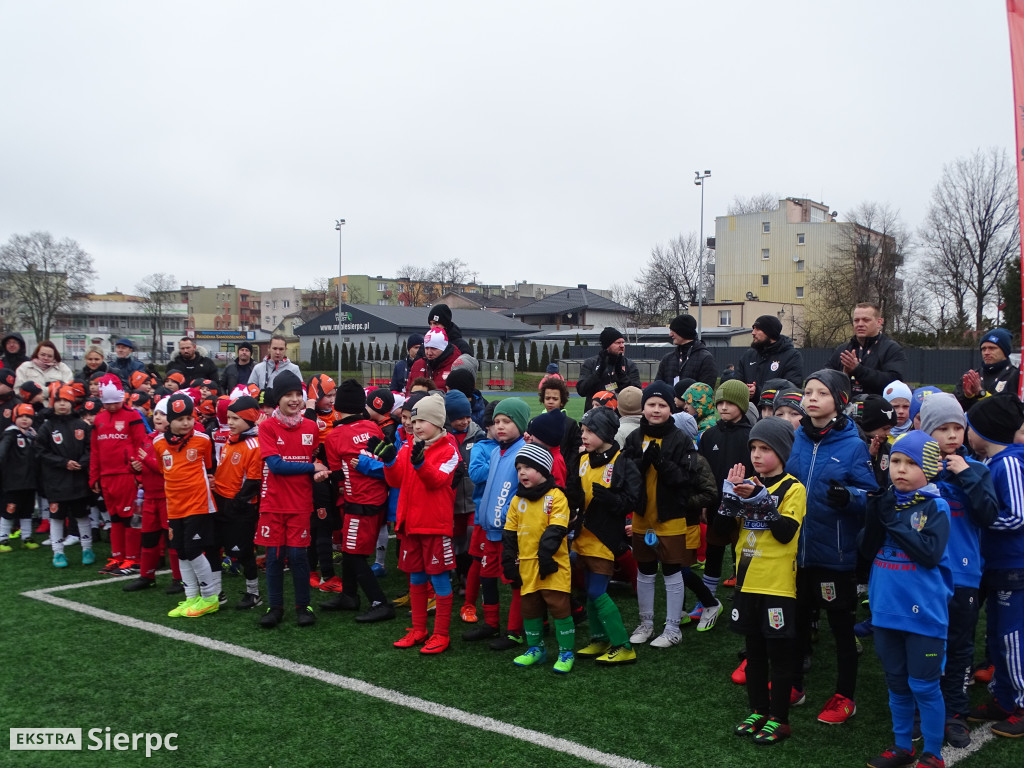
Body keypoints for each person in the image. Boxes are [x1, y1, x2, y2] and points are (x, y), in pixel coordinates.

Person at [787, 369, 878, 724]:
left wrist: (849, 497)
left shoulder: (854, 445)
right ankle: (793, 684)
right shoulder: (796, 438)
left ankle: (844, 695)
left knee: (840, 629)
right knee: (794, 623)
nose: (811, 398)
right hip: (796, 552)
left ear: (839, 402)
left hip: (834, 557)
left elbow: (872, 497)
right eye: (808, 391)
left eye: (821, 393)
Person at [859, 431, 952, 768]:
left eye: (911, 463)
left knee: (924, 687)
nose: (900, 469)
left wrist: (893, 523)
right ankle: (902, 746)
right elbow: (866, 553)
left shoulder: (936, 505)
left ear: (928, 469)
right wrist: (874, 516)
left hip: (923, 615)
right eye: (896, 461)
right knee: (896, 684)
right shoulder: (887, 502)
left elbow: (929, 554)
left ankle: (933, 753)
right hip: (886, 611)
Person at [919, 393, 999, 747]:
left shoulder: (977, 470)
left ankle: (955, 713)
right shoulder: (919, 469)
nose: (952, 435)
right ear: (928, 432)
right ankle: (927, 707)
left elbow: (989, 514)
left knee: (960, 646)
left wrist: (967, 476)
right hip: (925, 575)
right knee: (928, 645)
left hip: (964, 578)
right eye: (943, 428)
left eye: (958, 427)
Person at [721, 417, 805, 746]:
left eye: (765, 449)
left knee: (779, 655)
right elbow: (718, 534)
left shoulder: (793, 488)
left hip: (778, 585)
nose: (757, 455)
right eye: (753, 448)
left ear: (782, 452)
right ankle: (758, 710)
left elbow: (785, 534)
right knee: (753, 654)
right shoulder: (749, 486)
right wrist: (729, 502)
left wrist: (760, 500)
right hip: (747, 582)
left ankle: (779, 718)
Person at [623, 381, 719, 648]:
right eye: (651, 404)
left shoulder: (681, 440)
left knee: (672, 572)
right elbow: (624, 476)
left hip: (671, 517)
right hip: (643, 516)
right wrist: (641, 464)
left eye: (662, 405)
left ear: (670, 408)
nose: (656, 410)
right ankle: (646, 623)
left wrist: (662, 465)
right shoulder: (634, 438)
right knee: (644, 571)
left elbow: (686, 480)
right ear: (643, 408)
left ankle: (673, 628)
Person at [372, 392, 461, 653]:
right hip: (410, 526)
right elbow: (395, 480)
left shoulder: (449, 450)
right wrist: (389, 460)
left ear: (437, 422)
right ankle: (419, 629)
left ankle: (441, 634)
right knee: (417, 580)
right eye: (414, 420)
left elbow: (437, 481)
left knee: (440, 581)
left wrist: (421, 464)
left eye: (422, 420)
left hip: (434, 527)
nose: (416, 425)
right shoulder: (409, 445)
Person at [964, 395, 1024, 738]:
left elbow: (1016, 514)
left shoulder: (1009, 464)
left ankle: (1021, 702)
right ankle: (1003, 697)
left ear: (982, 431)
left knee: (1012, 637)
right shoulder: (992, 463)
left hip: (1014, 566)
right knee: (998, 636)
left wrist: (980, 522)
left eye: (969, 426)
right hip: (998, 566)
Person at [256, 370, 330, 628]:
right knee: (274, 557)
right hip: (274, 503)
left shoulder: (311, 426)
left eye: (298, 394)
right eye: (288, 394)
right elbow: (276, 466)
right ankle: (274, 607)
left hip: (300, 504)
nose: (295, 399)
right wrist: (312, 469)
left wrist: (317, 472)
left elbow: (313, 462)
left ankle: (303, 606)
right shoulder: (266, 427)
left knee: (299, 557)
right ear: (278, 398)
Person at [568, 406, 640, 665]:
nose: (584, 436)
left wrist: (612, 500)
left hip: (604, 538)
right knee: (589, 590)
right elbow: (576, 492)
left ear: (606, 433)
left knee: (598, 590)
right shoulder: (583, 460)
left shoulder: (622, 461)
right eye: (583, 430)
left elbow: (632, 500)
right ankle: (599, 639)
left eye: (590, 431)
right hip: (582, 536)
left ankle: (623, 645)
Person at [321, 379, 394, 622]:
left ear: (338, 408)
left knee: (352, 553)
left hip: (358, 503)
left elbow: (337, 477)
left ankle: (379, 602)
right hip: (377, 499)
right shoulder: (373, 427)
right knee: (351, 548)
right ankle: (349, 596)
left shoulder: (334, 437)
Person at [501, 443, 576, 673]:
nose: (522, 472)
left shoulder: (556, 497)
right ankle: (536, 648)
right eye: (519, 468)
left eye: (528, 467)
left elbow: (556, 529)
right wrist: (508, 557)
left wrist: (545, 555)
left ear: (543, 470)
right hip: (527, 564)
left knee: (558, 604)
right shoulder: (517, 500)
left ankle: (566, 652)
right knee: (530, 606)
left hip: (553, 563)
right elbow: (510, 532)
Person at [463, 398, 530, 649]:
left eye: (507, 421)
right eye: (497, 421)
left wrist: (508, 518)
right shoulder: (494, 451)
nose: (500, 426)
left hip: (511, 534)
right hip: (490, 530)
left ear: (521, 424)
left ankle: (514, 631)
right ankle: (491, 624)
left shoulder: (524, 452)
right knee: (486, 576)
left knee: (515, 581)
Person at [153, 392, 221, 618]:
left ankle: (210, 597)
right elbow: (165, 472)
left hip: (198, 504)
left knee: (193, 550)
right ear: (169, 421)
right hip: (174, 505)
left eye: (189, 418)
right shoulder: (158, 443)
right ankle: (191, 597)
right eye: (180, 419)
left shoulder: (202, 440)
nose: (186, 423)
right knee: (180, 551)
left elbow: (209, 468)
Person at [692, 379, 754, 626]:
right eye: (720, 402)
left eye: (730, 402)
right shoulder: (709, 435)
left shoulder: (752, 435)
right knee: (714, 550)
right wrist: (705, 502)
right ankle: (707, 600)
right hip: (717, 504)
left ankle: (744, 598)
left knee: (744, 554)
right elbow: (703, 472)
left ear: (742, 404)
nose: (724, 407)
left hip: (745, 508)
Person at [89, 375, 147, 575]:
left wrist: (139, 475)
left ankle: (133, 559)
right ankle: (118, 556)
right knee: (114, 518)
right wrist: (94, 477)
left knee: (129, 517)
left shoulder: (133, 416)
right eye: (107, 403)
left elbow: (142, 444)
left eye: (115, 402)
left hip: (126, 474)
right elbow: (95, 450)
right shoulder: (99, 419)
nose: (112, 406)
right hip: (106, 476)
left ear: (122, 398)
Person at [211, 396, 264, 609]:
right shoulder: (230, 441)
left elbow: (253, 481)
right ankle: (215, 593)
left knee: (243, 552)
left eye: (235, 418)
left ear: (249, 419)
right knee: (214, 547)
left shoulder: (254, 445)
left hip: (240, 508)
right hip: (221, 503)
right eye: (229, 417)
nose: (230, 422)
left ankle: (254, 594)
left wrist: (237, 503)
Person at [123, 398, 179, 592]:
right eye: (156, 413)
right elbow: (140, 467)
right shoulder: (148, 439)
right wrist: (134, 466)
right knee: (148, 538)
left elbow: (166, 469)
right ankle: (147, 576)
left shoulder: (173, 441)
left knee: (172, 539)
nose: (157, 417)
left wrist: (145, 461)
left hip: (167, 497)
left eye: (163, 414)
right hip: (149, 497)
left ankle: (178, 579)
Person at [35, 386, 94, 567]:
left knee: (82, 515)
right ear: (53, 403)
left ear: (72, 403)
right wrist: (63, 462)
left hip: (78, 480)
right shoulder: (47, 426)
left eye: (66, 401)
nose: (62, 404)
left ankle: (87, 548)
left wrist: (82, 462)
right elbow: (39, 450)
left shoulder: (82, 425)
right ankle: (58, 553)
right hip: (56, 482)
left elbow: (90, 448)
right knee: (57, 517)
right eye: (58, 401)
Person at [826, 302, 907, 396]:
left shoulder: (891, 349)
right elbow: (825, 378)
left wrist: (858, 370)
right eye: (856, 320)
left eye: (866, 320)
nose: (860, 324)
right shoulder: (843, 349)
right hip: (845, 407)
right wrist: (844, 374)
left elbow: (894, 383)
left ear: (879, 322)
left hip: (877, 408)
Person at [0, 403, 41, 552]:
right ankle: (3, 539)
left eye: (28, 417)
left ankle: (26, 537)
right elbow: (2, 453)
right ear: (14, 418)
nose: (25, 420)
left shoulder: (32, 435)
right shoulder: (10, 434)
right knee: (9, 510)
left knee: (27, 511)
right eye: (21, 416)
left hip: (29, 481)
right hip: (13, 482)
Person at [736, 315, 804, 402]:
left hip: (775, 412)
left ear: (770, 332)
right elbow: (737, 381)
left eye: (758, 329)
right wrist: (744, 389)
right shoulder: (748, 356)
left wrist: (758, 392)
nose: (753, 332)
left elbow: (792, 388)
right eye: (753, 329)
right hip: (748, 412)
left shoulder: (792, 356)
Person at [576, 327, 641, 411]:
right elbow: (582, 390)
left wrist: (620, 373)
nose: (622, 346)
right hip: (595, 416)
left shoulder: (630, 365)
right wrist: (599, 372)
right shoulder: (591, 363)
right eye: (618, 343)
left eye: (623, 342)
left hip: (620, 417)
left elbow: (636, 394)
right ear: (607, 345)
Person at [955, 327, 1021, 409]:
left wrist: (981, 394)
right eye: (983, 349)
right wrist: (967, 396)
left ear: (1005, 351)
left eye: (992, 348)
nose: (986, 353)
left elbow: (1010, 411)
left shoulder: (1016, 377)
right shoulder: (971, 376)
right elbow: (956, 409)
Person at [656, 314, 717, 388]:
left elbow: (705, 392)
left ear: (683, 332)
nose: (670, 334)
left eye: (673, 331)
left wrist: (682, 399)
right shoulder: (667, 359)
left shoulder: (706, 359)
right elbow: (657, 387)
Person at [405, 328, 459, 395]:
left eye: (434, 348)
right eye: (426, 348)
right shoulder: (418, 365)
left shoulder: (456, 366)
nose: (429, 353)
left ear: (444, 348)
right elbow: (408, 392)